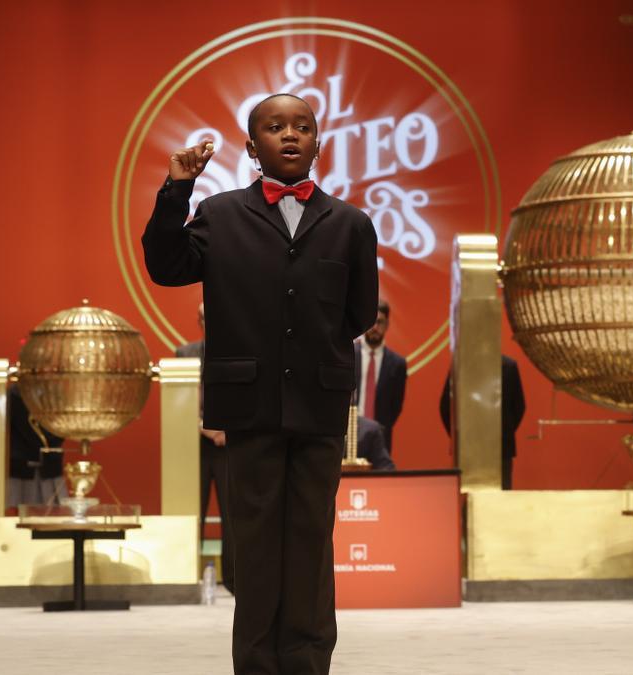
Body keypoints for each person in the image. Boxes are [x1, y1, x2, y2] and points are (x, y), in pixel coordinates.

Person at [142, 92, 378, 675]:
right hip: (247, 410)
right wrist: (177, 188)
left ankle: (307, 664)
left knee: (310, 545)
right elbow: (166, 266)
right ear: (252, 148)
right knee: (254, 549)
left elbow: (358, 314)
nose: (290, 135)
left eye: (302, 127)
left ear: (319, 144)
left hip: (319, 412)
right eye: (275, 128)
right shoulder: (219, 214)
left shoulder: (351, 223)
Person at [175, 302, 234, 594]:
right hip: (194, 445)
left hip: (230, 443)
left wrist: (226, 429)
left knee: (232, 512)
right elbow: (177, 403)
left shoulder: (238, 351)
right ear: (199, 321)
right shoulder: (183, 355)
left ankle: (233, 579)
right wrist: (205, 428)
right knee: (192, 511)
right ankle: (188, 575)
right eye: (204, 317)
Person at [439, 355, 526, 490]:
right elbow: (519, 407)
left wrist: (458, 437)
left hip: (468, 444)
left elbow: (446, 407)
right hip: (501, 445)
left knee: (468, 494)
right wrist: (505, 431)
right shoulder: (509, 366)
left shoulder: (461, 364)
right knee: (501, 496)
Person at [352, 300, 406, 453]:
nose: (375, 327)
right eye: (372, 322)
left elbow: (395, 407)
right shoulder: (348, 355)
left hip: (380, 440)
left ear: (387, 325)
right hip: (348, 437)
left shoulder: (398, 364)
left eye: (380, 322)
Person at [5, 382, 65, 509]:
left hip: (50, 469)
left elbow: (64, 426)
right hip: (22, 470)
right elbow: (26, 430)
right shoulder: (15, 395)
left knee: (54, 519)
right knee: (20, 520)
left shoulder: (56, 393)